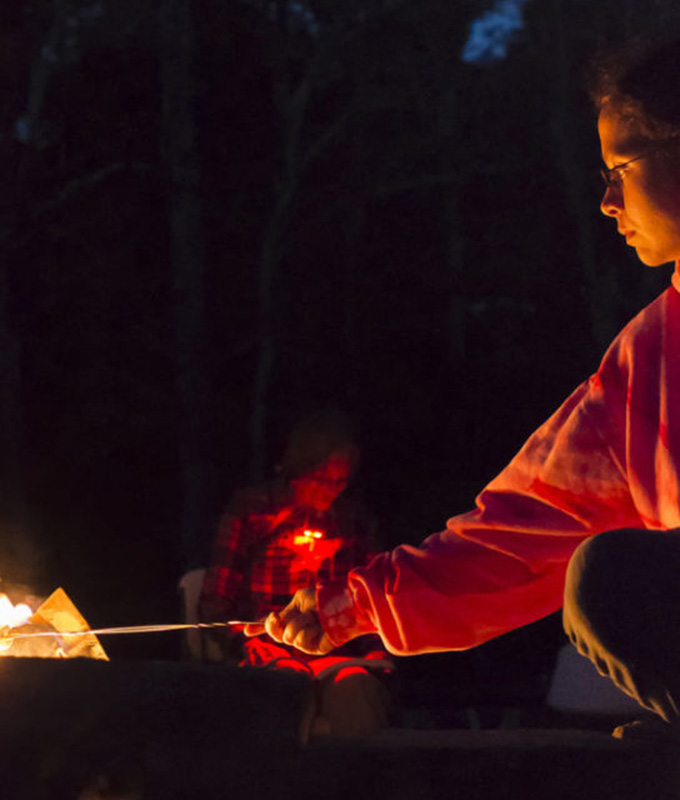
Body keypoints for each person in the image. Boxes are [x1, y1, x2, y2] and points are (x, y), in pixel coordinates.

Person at [262, 37, 680, 737]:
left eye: (621, 166)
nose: (607, 200)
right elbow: (523, 531)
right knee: (614, 582)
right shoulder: (650, 359)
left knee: (619, 579)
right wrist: (358, 606)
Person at [200, 412, 392, 736]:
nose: (332, 490)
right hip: (266, 646)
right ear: (297, 469)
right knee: (281, 693)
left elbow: (373, 597)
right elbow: (215, 601)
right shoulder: (254, 510)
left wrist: (375, 650)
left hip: (337, 651)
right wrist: (243, 643)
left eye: (341, 481)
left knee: (355, 693)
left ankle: (357, 779)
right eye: (321, 478)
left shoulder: (353, 521)